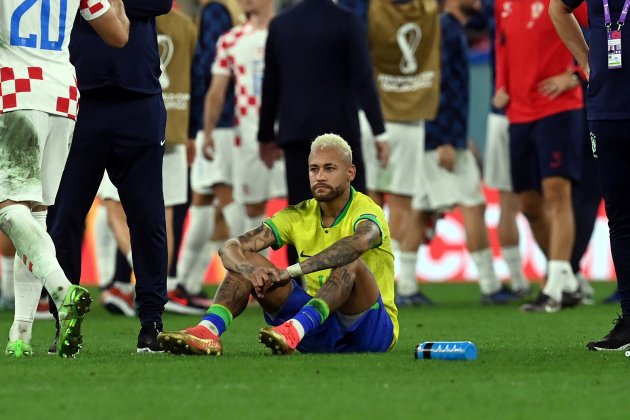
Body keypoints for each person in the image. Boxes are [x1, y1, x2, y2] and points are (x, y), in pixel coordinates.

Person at [158, 134, 398, 355]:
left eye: (329, 168)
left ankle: (295, 328)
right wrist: (250, 271)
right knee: (246, 258)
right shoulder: (298, 214)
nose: (320, 176)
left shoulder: (367, 210)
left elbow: (358, 244)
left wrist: (290, 272)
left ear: (350, 173)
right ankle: (208, 331)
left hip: (371, 330)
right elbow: (230, 247)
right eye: (314, 169)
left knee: (351, 263)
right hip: (320, 327)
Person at [0, 0, 129, 358]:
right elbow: (118, 34)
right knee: (35, 216)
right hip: (62, 96)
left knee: (7, 209)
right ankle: (21, 335)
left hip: (14, 91)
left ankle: (61, 291)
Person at [47, 0, 173, 353]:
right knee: (65, 218)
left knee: (148, 218)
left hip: (139, 101)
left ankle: (151, 322)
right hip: (80, 101)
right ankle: (66, 320)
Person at [397, 0, 520, 305]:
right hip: (440, 138)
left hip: (438, 135)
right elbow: (433, 88)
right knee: (474, 205)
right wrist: (446, 140)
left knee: (422, 210)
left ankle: (407, 288)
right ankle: (490, 287)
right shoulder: (444, 30)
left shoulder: (447, 30)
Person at [339, 0, 441, 296]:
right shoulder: (430, 11)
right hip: (410, 114)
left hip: (370, 113)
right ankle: (403, 282)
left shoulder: (366, 10)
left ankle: (369, 277)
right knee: (403, 203)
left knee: (369, 199)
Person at [494, 0, 585, 313]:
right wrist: (501, 84)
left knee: (557, 194)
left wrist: (575, 74)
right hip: (518, 112)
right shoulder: (502, 3)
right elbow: (502, 42)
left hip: (557, 109)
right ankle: (568, 279)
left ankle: (555, 287)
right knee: (529, 204)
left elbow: (603, 27)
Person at [550, 0, 630, 349]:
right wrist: (585, 61)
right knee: (621, 219)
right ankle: (629, 322)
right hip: (606, 109)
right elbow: (558, 8)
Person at [258, 0, 388, 206]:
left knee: (303, 220)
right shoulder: (348, 21)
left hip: (297, 137)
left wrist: (265, 136)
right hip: (341, 136)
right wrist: (379, 131)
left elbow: (271, 85)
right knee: (348, 216)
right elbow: (363, 80)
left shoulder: (280, 25)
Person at [169, 0, 245, 314]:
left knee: (217, 197)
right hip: (226, 122)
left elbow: (207, 68)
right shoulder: (227, 12)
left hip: (218, 122)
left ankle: (243, 274)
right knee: (207, 198)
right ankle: (186, 283)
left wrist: (201, 121)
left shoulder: (214, 11)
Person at [481, 0, 530, 297]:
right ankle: (525, 278)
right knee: (515, 203)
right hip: (509, 114)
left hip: (517, 114)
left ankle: (559, 274)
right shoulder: (498, 11)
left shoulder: (496, 11)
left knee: (522, 203)